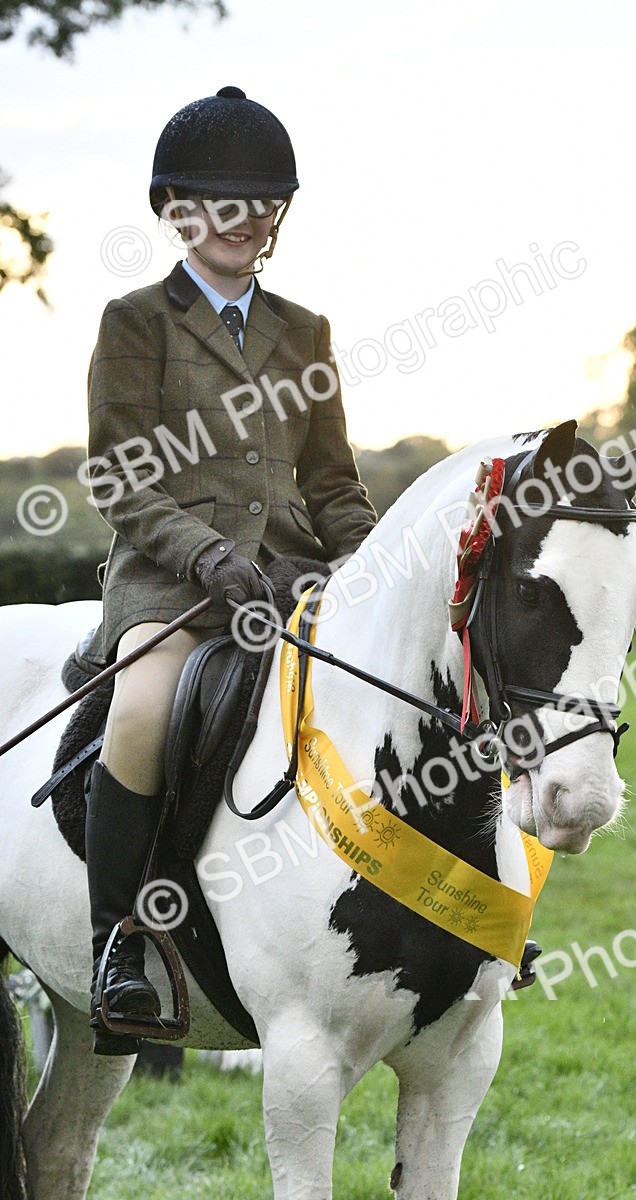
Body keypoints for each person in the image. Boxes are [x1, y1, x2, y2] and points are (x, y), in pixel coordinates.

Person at [84, 86, 376, 1055]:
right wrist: (202, 552)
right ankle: (120, 940)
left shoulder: (305, 330)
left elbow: (330, 481)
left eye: (260, 205)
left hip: (288, 577)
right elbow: (121, 477)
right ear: (177, 211)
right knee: (139, 710)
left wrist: (363, 561)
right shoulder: (135, 323)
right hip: (170, 578)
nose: (244, 222)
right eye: (220, 203)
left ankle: (439, 925)